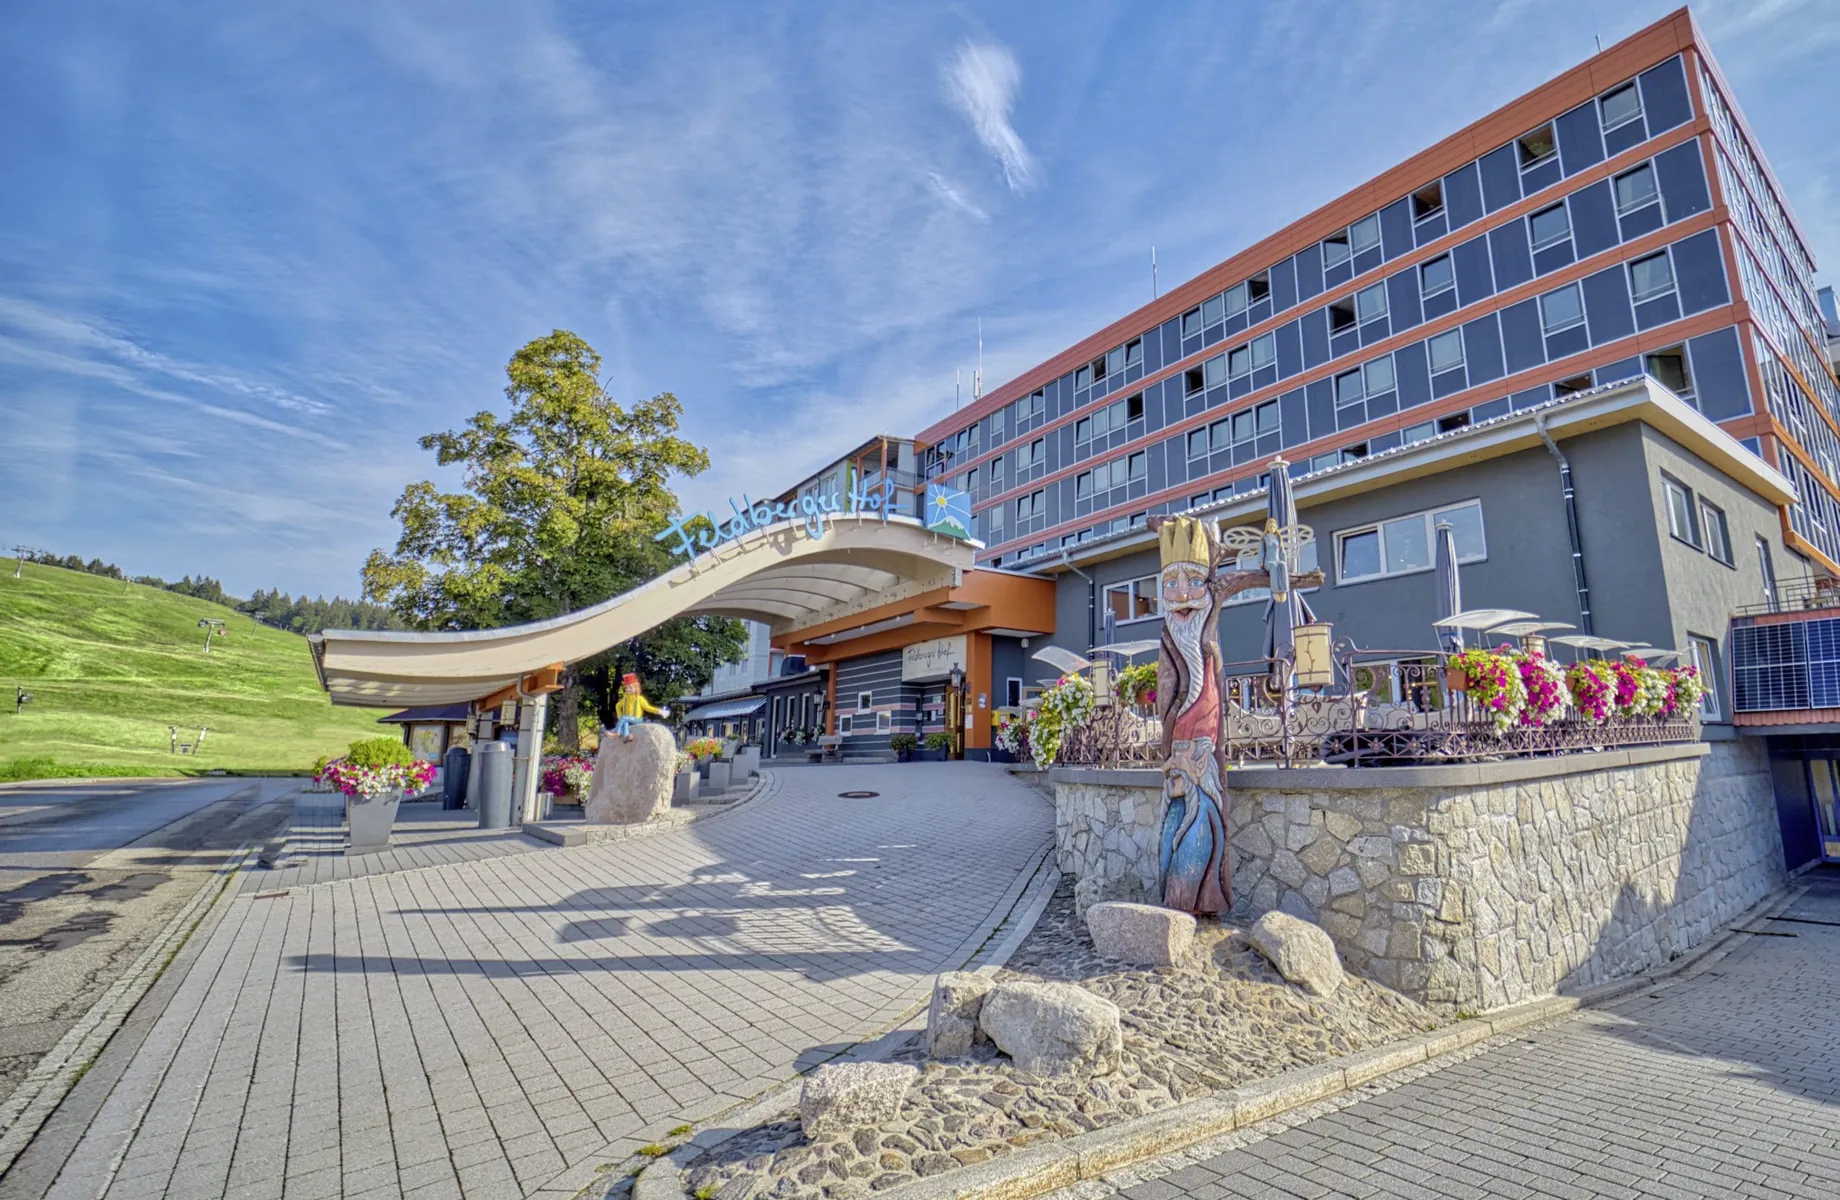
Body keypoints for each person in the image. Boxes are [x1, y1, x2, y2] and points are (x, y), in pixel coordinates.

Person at [612, 673, 668, 740]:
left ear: (636, 688)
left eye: (630, 687)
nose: (628, 689)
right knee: (625, 721)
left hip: (637, 719)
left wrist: (660, 711)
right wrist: (620, 717)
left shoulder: (639, 699)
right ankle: (626, 736)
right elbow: (618, 706)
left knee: (624, 718)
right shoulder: (625, 699)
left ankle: (617, 733)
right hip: (628, 719)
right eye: (627, 687)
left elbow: (648, 708)